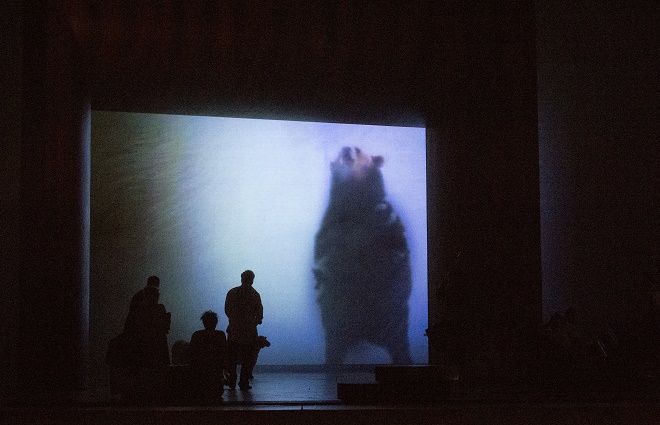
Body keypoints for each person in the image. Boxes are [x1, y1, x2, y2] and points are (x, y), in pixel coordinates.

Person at [224, 270, 263, 390]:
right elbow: (259, 312)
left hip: (235, 329)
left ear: (241, 279)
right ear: (252, 280)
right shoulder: (254, 294)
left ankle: (232, 380)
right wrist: (254, 321)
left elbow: (227, 310)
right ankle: (244, 381)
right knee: (248, 358)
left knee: (232, 358)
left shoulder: (232, 292)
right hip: (249, 331)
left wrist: (235, 320)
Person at [188, 310, 227, 403]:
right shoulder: (220, 335)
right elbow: (224, 352)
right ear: (216, 322)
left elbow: (191, 352)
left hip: (200, 371)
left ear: (203, 322)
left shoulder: (197, 335)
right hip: (216, 370)